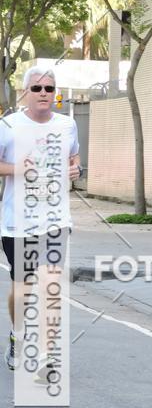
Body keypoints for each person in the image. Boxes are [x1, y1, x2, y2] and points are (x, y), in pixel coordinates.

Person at [0, 65, 81, 377]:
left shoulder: (67, 124)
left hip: (55, 220)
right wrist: (17, 169)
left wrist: (76, 170)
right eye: (37, 88)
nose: (44, 93)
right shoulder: (8, 126)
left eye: (49, 88)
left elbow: (74, 158)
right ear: (26, 92)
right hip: (18, 222)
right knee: (23, 288)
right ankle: (18, 335)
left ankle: (47, 356)